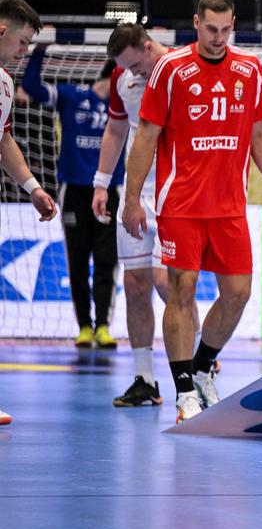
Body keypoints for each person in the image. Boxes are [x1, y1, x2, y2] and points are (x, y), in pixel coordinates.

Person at [121, 0, 262, 422]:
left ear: (233, 24)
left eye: (226, 29)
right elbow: (145, 136)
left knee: (238, 294)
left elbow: (258, 134)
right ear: (196, 23)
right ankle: (184, 392)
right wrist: (131, 199)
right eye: (211, 29)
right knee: (180, 292)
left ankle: (202, 369)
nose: (218, 38)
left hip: (230, 206)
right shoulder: (171, 69)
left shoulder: (250, 69)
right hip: (180, 204)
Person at [94, 23, 201, 408]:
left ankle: (198, 367)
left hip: (178, 192)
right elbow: (115, 130)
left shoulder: (183, 68)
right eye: (127, 68)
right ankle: (144, 379)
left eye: (137, 65)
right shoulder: (123, 77)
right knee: (136, 284)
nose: (134, 73)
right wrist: (101, 183)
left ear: (149, 45)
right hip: (137, 192)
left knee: (165, 282)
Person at [20, 46, 123, 350]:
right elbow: (31, 88)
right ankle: (84, 327)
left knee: (107, 261)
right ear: (114, 76)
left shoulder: (123, 106)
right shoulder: (72, 96)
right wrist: (39, 49)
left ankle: (103, 326)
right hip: (75, 192)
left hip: (108, 192)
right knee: (78, 261)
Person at [0, 0, 59, 427]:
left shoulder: (4, 85)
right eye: (22, 43)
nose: (24, 53)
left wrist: (33, 188)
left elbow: (3, 142)